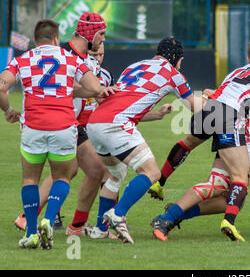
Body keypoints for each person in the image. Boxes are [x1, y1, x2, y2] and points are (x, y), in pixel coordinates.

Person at [151, 40, 250, 242]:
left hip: (210, 108)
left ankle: (161, 189)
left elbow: (220, 92)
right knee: (240, 176)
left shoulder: (237, 71)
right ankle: (229, 222)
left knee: (193, 148)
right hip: (229, 117)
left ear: (248, 59)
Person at [0, 19, 105, 249]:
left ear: (36, 39)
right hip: (64, 127)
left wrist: (8, 110)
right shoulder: (70, 59)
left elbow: (1, 86)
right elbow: (96, 88)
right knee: (63, 177)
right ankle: (48, 220)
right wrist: (72, 90)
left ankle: (31, 233)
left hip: (33, 128)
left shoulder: (22, 60)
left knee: (30, 180)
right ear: (57, 39)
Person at [86, 36, 202, 243]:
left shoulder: (135, 66)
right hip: (115, 124)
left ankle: (100, 229)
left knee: (115, 175)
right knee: (152, 172)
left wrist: (157, 114)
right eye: (180, 61)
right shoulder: (173, 74)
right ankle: (117, 214)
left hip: (95, 122)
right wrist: (214, 98)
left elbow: (126, 102)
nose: (180, 65)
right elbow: (195, 106)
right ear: (175, 57)